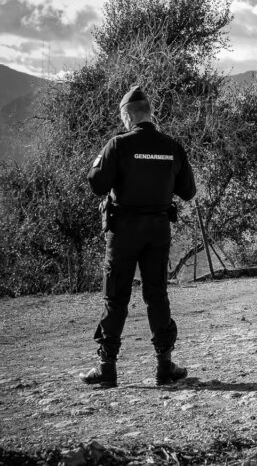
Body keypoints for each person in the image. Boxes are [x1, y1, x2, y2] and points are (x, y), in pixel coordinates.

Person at [82, 86, 196, 388]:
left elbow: (96, 183)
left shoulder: (117, 145)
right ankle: (164, 366)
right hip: (158, 230)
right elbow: (188, 191)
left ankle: (107, 368)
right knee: (156, 295)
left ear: (126, 116)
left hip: (124, 231)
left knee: (115, 296)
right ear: (151, 114)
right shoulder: (172, 146)